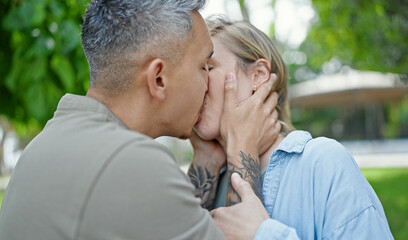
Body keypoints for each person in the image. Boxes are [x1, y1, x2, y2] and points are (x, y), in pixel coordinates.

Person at [0, 1, 280, 239]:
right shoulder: (132, 162)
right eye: (203, 66)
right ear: (158, 78)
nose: (209, 84)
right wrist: (243, 147)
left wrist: (206, 158)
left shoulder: (43, 147)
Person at [189, 16, 394, 239]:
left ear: (257, 75)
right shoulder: (213, 176)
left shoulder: (323, 162)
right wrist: (206, 158)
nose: (196, 83)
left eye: (208, 67)